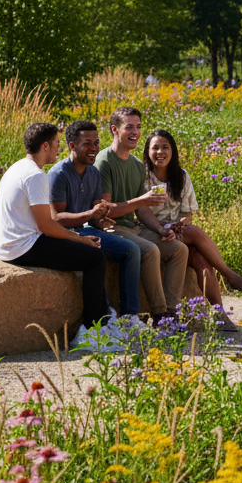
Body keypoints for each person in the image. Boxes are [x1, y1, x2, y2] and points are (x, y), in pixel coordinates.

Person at [0, 122, 108, 346]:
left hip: (8, 243)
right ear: (45, 145)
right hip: (22, 246)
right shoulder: (35, 176)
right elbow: (47, 225)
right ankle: (92, 332)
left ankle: (104, 323)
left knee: (90, 252)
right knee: (95, 258)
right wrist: (80, 239)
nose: (58, 149)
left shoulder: (18, 167)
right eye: (55, 144)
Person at [143, 130, 242, 330]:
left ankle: (220, 316)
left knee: (201, 261)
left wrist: (180, 225)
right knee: (195, 232)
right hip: (150, 231)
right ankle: (230, 276)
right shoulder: (142, 176)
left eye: (165, 147)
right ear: (147, 151)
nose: (160, 152)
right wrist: (167, 229)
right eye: (155, 147)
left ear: (173, 151)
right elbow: (140, 212)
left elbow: (188, 214)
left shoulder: (180, 176)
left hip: (177, 232)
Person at [95, 107, 189, 324]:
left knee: (178, 250)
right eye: (129, 127)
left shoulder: (137, 165)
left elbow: (142, 210)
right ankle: (159, 313)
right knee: (150, 250)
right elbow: (106, 210)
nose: (135, 132)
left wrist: (160, 230)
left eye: (138, 127)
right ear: (115, 130)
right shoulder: (104, 161)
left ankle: (171, 313)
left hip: (134, 228)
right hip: (112, 228)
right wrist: (143, 200)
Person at [48, 120, 145, 331]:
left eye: (96, 143)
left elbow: (93, 213)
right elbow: (55, 218)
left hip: (85, 229)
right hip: (63, 235)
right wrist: (90, 214)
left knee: (131, 250)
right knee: (96, 252)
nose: (94, 148)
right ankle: (105, 316)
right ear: (72, 146)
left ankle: (129, 317)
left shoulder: (93, 173)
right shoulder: (59, 174)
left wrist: (100, 219)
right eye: (87, 143)